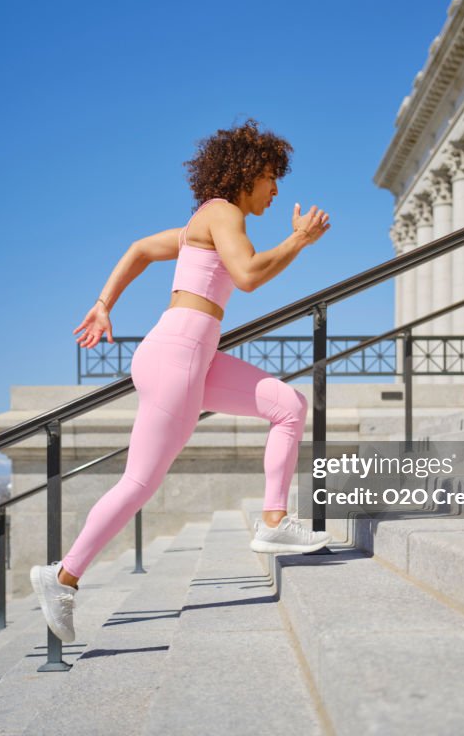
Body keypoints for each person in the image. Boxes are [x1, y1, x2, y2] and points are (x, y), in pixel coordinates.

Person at [30, 119, 332, 643]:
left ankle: (273, 522)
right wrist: (299, 240)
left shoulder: (204, 222)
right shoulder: (223, 213)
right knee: (140, 482)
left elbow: (139, 249)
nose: (276, 189)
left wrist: (103, 304)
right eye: (271, 177)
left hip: (192, 355)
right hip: (178, 356)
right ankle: (62, 577)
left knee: (288, 404)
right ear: (246, 173)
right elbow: (248, 275)